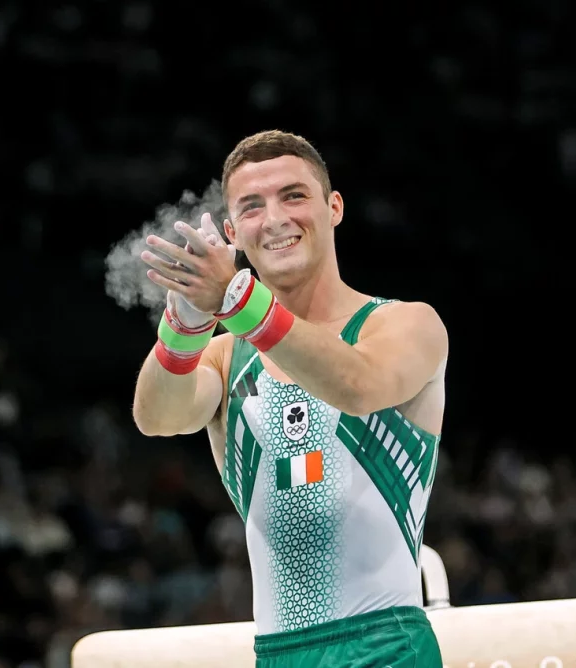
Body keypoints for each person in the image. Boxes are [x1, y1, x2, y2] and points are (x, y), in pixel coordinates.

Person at [131, 130, 448, 667]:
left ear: (334, 207)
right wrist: (185, 325)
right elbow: (158, 416)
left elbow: (358, 385)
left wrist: (237, 298)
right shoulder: (226, 355)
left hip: (385, 646)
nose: (275, 219)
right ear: (232, 232)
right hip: (276, 656)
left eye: (293, 196)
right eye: (252, 207)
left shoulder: (403, 323)